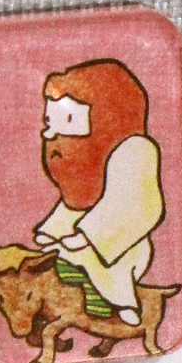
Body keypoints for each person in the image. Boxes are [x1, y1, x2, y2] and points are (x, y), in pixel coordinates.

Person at [34, 59, 164, 326]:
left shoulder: (134, 150)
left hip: (119, 244)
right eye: (49, 121)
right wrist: (53, 230)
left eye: (67, 119)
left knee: (107, 268)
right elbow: (73, 202)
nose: (50, 134)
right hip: (79, 232)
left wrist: (88, 237)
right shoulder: (72, 153)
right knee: (56, 258)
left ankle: (124, 305)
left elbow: (137, 204)